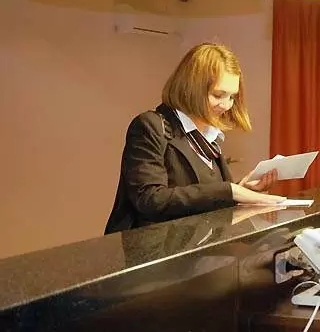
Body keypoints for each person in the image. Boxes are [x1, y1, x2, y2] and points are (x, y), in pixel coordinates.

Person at [105, 43, 285, 234]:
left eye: (232, 97)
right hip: (152, 250)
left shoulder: (209, 137)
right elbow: (151, 199)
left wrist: (242, 190)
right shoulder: (149, 126)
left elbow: (204, 199)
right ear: (191, 88)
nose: (226, 105)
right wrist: (230, 191)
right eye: (218, 95)